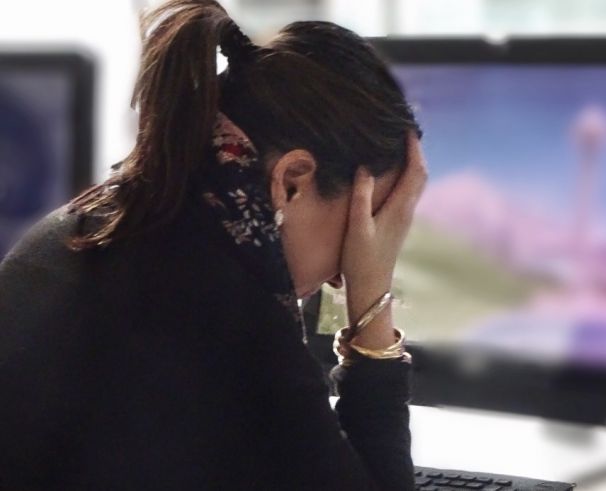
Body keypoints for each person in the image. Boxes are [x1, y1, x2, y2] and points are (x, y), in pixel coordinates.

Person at [0, 0, 428, 489]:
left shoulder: (96, 218)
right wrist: (373, 299)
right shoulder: (231, 313)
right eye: (366, 224)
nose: (342, 273)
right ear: (291, 180)